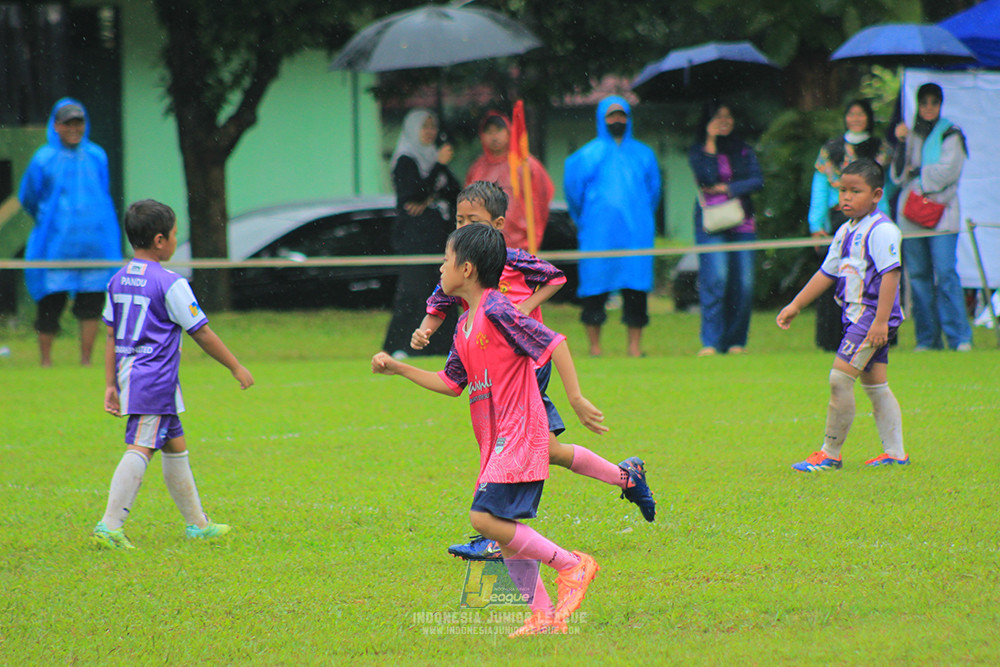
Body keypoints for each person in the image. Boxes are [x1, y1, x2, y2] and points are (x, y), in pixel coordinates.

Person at [373, 224, 606, 637]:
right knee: (506, 533)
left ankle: (572, 564)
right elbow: (450, 383)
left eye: (445, 260)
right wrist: (399, 368)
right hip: (493, 441)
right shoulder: (464, 325)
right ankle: (544, 617)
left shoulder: (498, 309)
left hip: (520, 433)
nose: (440, 268)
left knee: (483, 518)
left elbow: (553, 342)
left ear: (465, 268)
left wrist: (576, 398)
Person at [410, 181, 656, 561]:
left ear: (497, 222)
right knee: (547, 451)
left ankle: (495, 531)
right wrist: (426, 329)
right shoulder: (461, 263)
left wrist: (524, 308)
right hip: (486, 362)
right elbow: (440, 299)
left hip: (524, 364)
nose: (461, 227)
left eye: (471, 220)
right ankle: (626, 476)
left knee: (500, 441)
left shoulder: (510, 260)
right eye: (458, 220)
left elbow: (556, 278)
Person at [91, 200, 254, 550]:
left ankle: (197, 524)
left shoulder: (117, 280)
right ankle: (109, 524)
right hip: (154, 379)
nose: (177, 240)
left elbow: (110, 334)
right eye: (176, 234)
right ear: (160, 239)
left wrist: (109, 383)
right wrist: (235, 366)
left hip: (133, 375)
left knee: (175, 446)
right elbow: (202, 332)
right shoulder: (170, 282)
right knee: (142, 446)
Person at [777, 159, 908, 471]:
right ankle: (895, 453)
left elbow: (891, 276)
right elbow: (827, 273)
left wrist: (879, 322)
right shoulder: (844, 231)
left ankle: (830, 454)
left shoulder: (882, 230)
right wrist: (795, 305)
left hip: (871, 317)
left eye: (855, 191)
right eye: (842, 190)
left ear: (877, 194)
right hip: (856, 316)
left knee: (839, 379)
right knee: (875, 385)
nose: (846, 197)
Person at [19, 98, 123, 366]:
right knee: (50, 301)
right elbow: (29, 196)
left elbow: (104, 190)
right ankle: (46, 362)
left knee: (91, 304)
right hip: (55, 244)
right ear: (56, 126)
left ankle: (86, 361)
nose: (74, 128)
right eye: (68, 123)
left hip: (95, 245)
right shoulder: (43, 158)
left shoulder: (97, 155)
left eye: (79, 122)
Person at [564, 96, 661, 358]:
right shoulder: (585, 156)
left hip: (636, 234)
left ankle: (634, 347)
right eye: (611, 116)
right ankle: (595, 348)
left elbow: (654, 193)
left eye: (622, 115)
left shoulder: (644, 154)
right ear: (601, 119)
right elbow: (573, 195)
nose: (617, 121)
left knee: (636, 290)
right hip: (598, 235)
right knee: (594, 289)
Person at [890, 82, 972, 351]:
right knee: (919, 276)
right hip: (912, 216)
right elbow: (898, 175)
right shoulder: (911, 133)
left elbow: (947, 171)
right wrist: (900, 143)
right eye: (923, 103)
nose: (928, 108)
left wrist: (919, 175)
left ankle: (959, 337)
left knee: (946, 273)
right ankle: (928, 339)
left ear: (940, 104)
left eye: (933, 102)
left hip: (942, 215)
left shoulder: (951, 133)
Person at [809, 99, 893, 352]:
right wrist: (816, 225)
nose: (856, 118)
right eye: (851, 113)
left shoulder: (879, 148)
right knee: (836, 276)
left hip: (871, 219)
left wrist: (885, 223)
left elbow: (883, 189)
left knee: (872, 277)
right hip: (839, 219)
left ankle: (875, 332)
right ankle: (832, 336)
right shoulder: (831, 149)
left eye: (861, 114)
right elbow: (820, 188)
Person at [382, 109, 460, 359]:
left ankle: (441, 346)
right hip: (415, 238)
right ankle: (402, 345)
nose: (430, 132)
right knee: (414, 291)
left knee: (443, 290)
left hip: (439, 237)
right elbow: (412, 195)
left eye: (432, 126)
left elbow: (454, 191)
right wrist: (437, 168)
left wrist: (430, 195)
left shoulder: (434, 158)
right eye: (424, 127)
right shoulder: (406, 160)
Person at [689, 100, 764, 357]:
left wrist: (729, 189)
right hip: (711, 223)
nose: (724, 121)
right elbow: (706, 177)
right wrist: (710, 141)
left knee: (743, 283)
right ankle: (711, 341)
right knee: (716, 278)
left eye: (728, 116)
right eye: (718, 116)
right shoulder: (698, 151)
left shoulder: (742, 149)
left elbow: (757, 180)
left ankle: (735, 342)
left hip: (743, 221)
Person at [464, 111, 555, 252]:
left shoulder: (525, 165)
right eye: (489, 131)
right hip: (485, 248)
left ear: (508, 132)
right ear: (482, 136)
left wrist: (534, 237)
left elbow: (542, 200)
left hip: (521, 246)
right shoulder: (477, 169)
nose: (494, 136)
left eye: (498, 130)